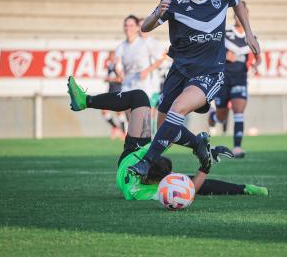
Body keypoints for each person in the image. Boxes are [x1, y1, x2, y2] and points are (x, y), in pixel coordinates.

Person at [129, 0, 261, 177]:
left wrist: (249, 33)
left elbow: (239, 4)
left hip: (210, 72)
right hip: (180, 71)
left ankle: (147, 162)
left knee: (178, 108)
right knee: (164, 130)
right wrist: (156, 15)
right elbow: (145, 27)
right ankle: (199, 145)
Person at [67, 76, 268, 200]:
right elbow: (197, 188)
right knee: (142, 101)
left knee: (141, 99)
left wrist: (204, 166)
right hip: (137, 157)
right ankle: (241, 185)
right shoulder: (158, 184)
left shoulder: (149, 193)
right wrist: (206, 163)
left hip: (130, 157)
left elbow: (192, 189)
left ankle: (86, 101)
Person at [208, 1, 262, 158]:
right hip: (223, 79)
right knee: (221, 116)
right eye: (238, 13)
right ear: (234, 15)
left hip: (240, 78)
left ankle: (237, 147)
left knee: (239, 110)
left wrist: (257, 64)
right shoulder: (225, 33)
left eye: (243, 13)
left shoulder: (251, 36)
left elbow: (258, 56)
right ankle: (213, 116)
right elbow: (212, 52)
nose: (240, 16)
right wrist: (225, 56)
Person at [114, 15, 165, 102]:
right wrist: (119, 72)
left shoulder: (145, 43)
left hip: (143, 85)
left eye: (131, 25)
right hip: (127, 84)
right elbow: (117, 64)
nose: (128, 28)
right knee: (128, 113)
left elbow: (160, 58)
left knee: (144, 113)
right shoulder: (121, 46)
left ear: (138, 27)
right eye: (126, 25)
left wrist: (147, 71)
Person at [102, 50, 126, 139]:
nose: (109, 57)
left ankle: (123, 132)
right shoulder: (110, 66)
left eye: (111, 55)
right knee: (104, 111)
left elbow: (121, 79)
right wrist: (107, 79)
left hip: (117, 91)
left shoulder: (117, 66)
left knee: (119, 112)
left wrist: (110, 79)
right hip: (110, 91)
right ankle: (116, 128)